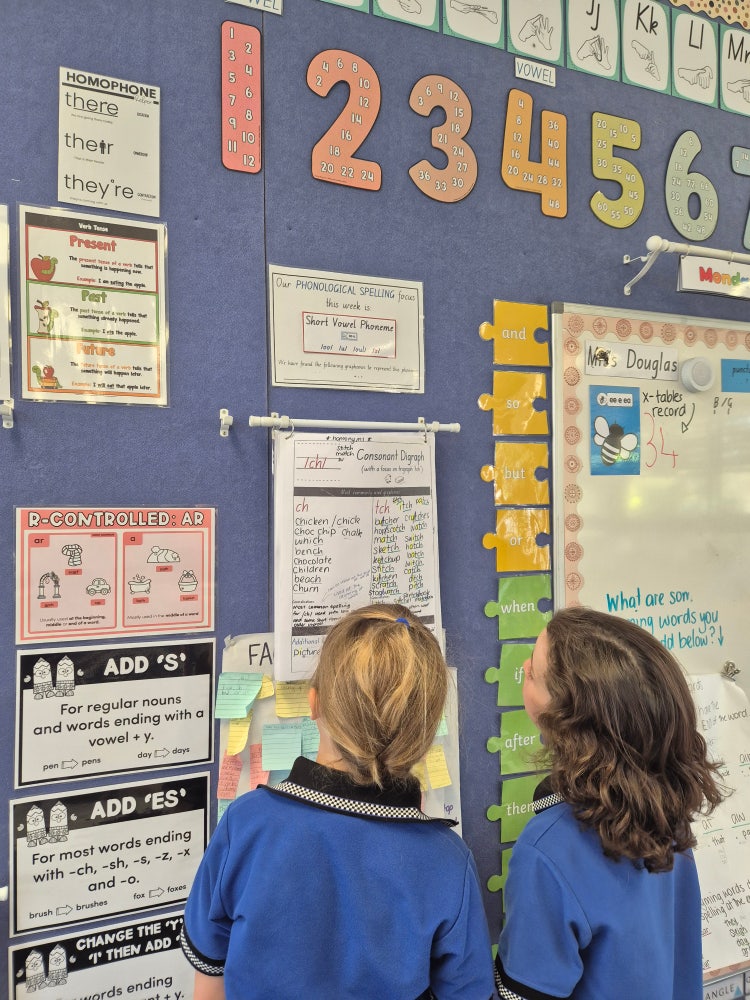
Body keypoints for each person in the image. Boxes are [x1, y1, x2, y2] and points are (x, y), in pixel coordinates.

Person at [181, 602, 495, 1000]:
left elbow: (209, 980)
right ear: (427, 729)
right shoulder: (449, 862)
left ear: (313, 704)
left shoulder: (246, 825)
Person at [495, 606, 726, 1000]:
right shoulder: (667, 813)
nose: (524, 670)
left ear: (563, 716)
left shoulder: (547, 851)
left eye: (532, 670)